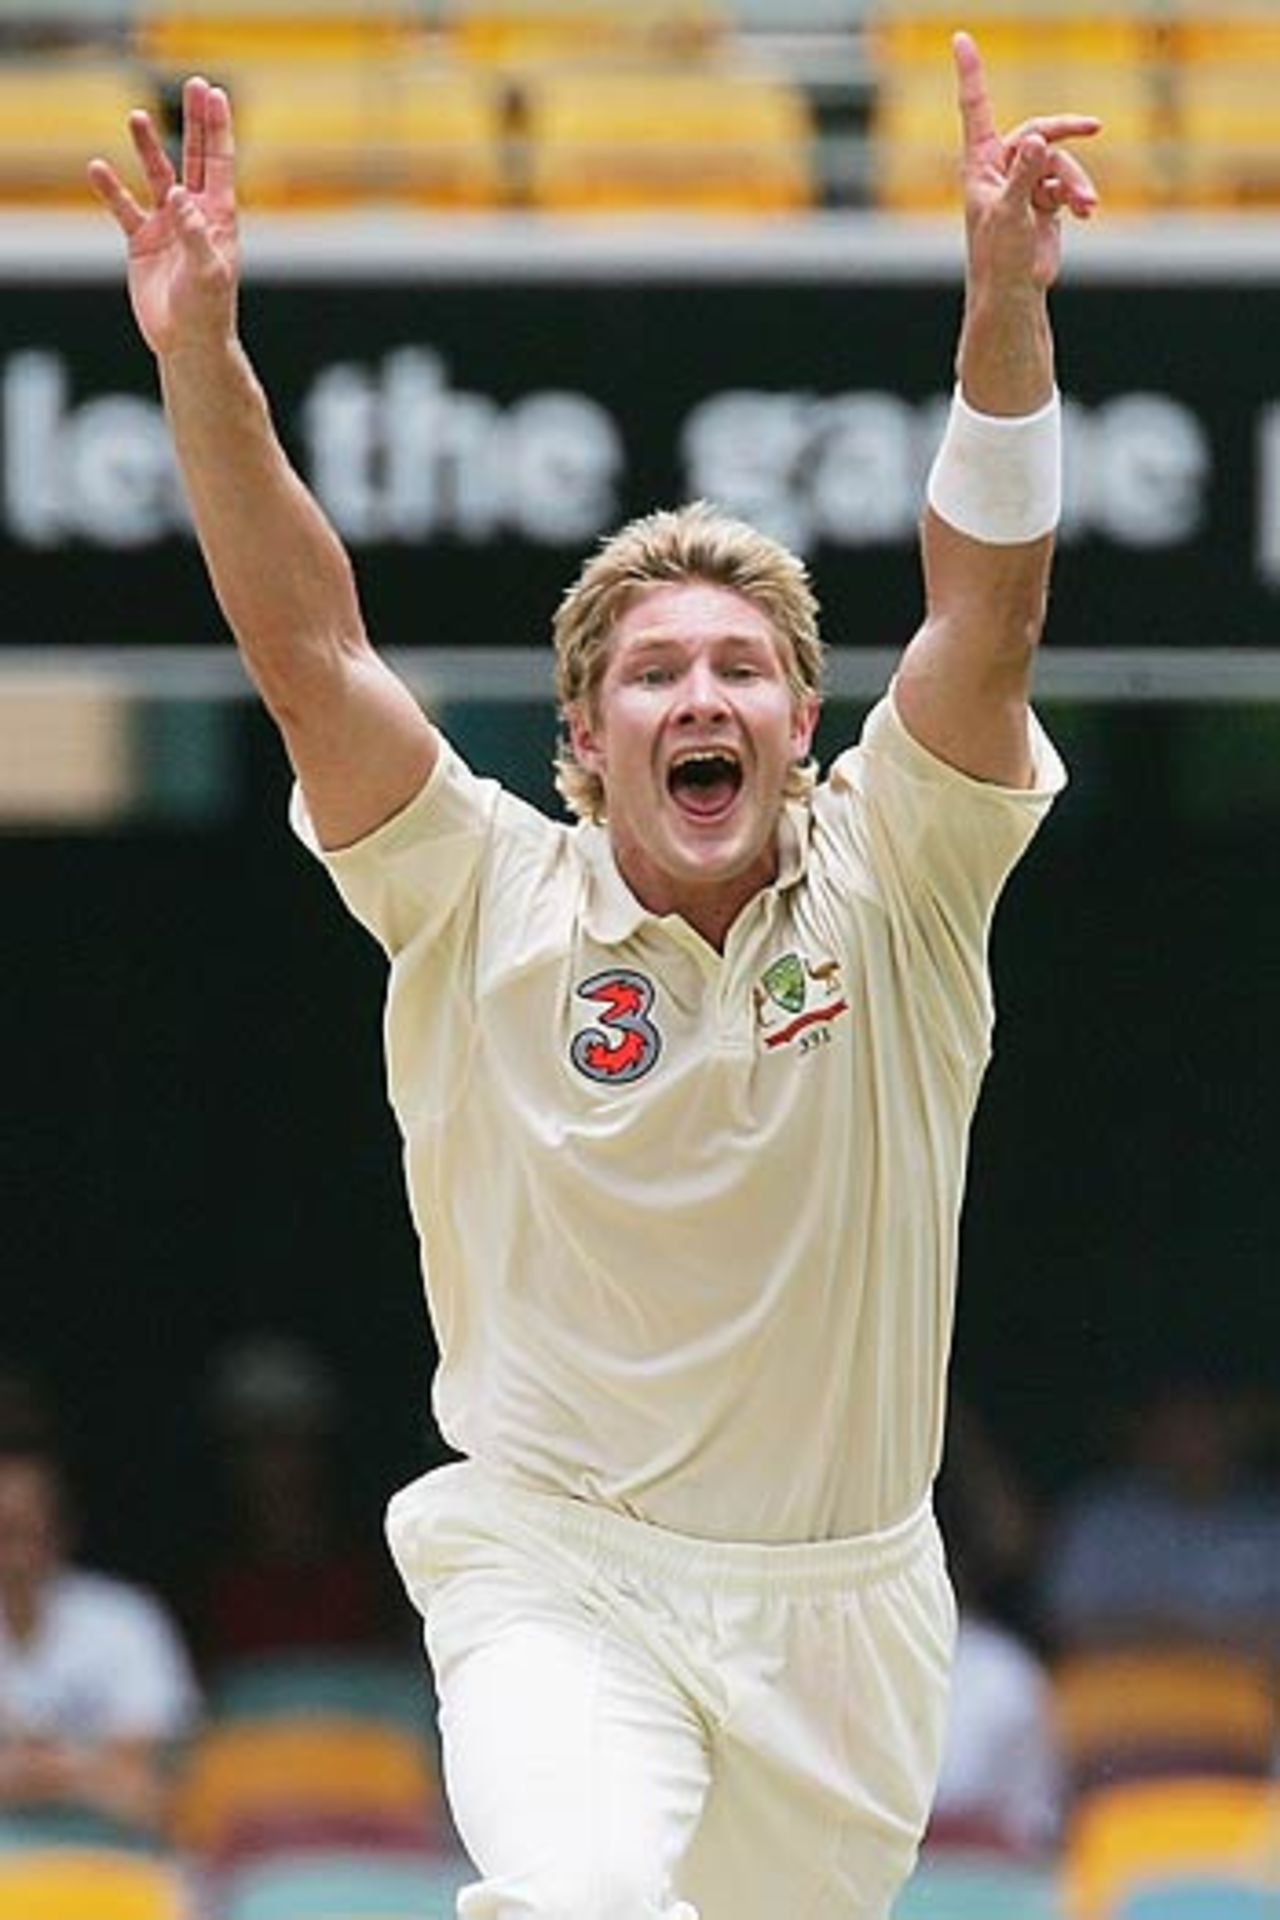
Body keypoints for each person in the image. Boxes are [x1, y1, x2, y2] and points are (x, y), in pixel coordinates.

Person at [89, 35, 1098, 1920]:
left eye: (738, 668)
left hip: (845, 1618)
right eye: (653, 674)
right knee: (580, 1903)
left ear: (805, 722)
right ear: (583, 735)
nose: (698, 695)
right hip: (557, 1568)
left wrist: (1004, 302)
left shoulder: (907, 871)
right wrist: (201, 356)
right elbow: (311, 649)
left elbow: (989, 607)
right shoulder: (479, 893)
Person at [0, 1443, 200, 1836]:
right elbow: (113, 1773)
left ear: (62, 1531)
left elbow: (149, 1772)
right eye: (4, 1532)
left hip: (114, 1851)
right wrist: (87, 1769)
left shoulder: (126, 1618)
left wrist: (36, 1768)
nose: (16, 1554)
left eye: (29, 1530)